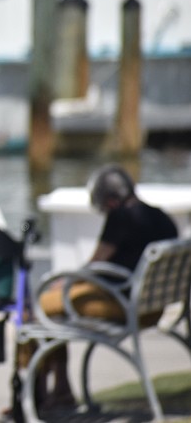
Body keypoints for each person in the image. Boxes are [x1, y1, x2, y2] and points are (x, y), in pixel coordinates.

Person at [33, 164, 178, 411]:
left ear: (110, 200)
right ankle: (60, 389)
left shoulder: (121, 217)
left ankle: (37, 390)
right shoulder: (161, 217)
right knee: (53, 310)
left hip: (122, 306)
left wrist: (64, 282)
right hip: (152, 308)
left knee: (39, 307)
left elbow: (95, 265)